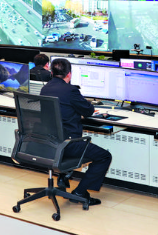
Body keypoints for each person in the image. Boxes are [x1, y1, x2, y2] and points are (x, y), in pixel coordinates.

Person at [40, 58, 112, 206]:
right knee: (104, 156)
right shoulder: (71, 91)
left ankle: (65, 174)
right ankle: (79, 192)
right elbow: (89, 111)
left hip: (49, 142)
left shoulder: (45, 88)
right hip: (69, 144)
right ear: (69, 74)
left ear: (51, 72)